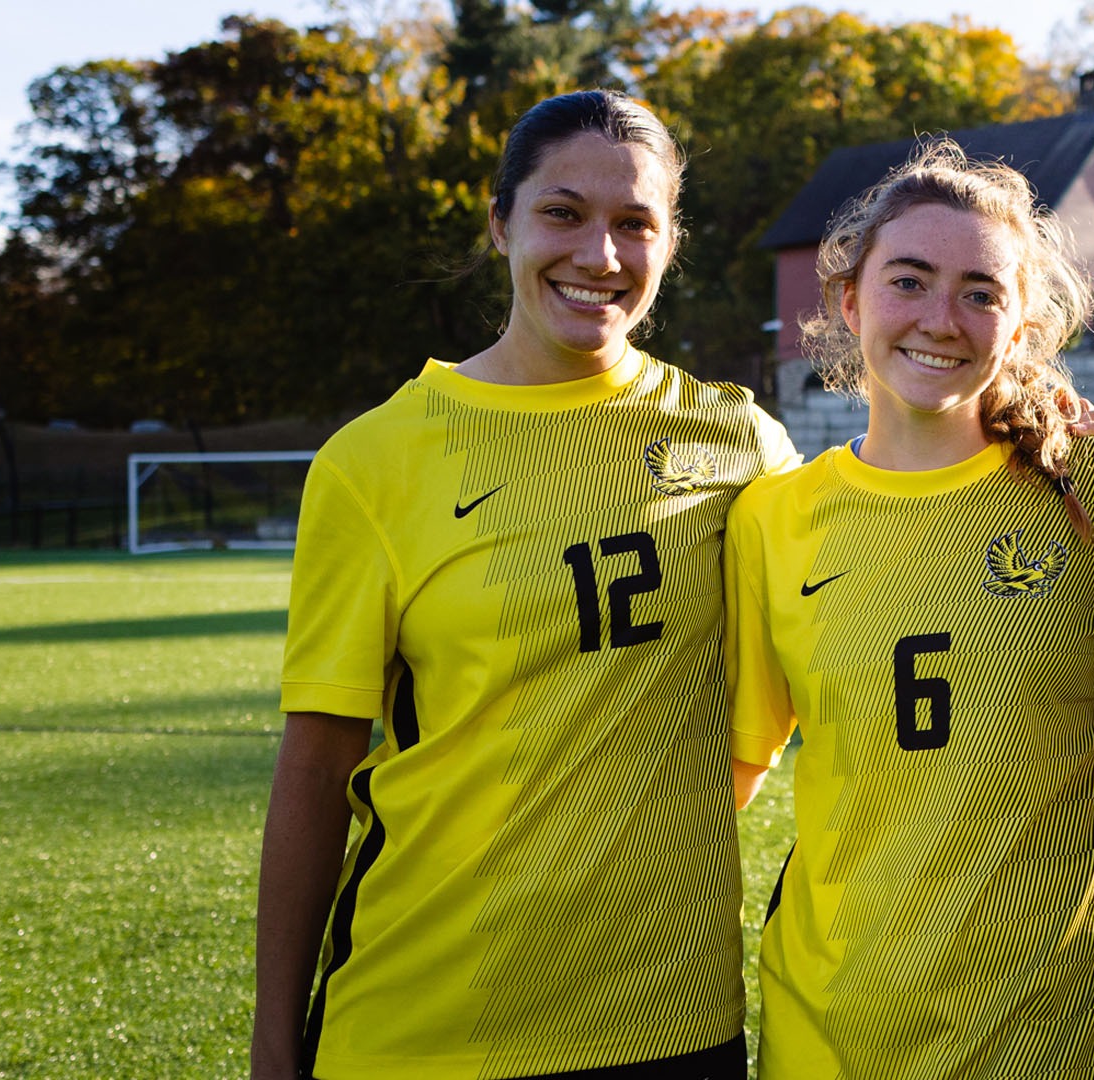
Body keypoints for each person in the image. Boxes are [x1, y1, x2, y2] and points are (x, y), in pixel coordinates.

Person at [251, 90, 797, 1080]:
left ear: (670, 242)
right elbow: (316, 768)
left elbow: (882, 548)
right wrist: (271, 1044)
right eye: (563, 212)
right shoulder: (373, 462)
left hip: (669, 1023)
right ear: (500, 219)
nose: (600, 256)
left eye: (636, 223)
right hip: (425, 1022)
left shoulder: (741, 443)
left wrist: (1029, 422)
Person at [724, 142, 1094, 1079]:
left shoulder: (1093, 492)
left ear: (1022, 321)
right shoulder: (773, 518)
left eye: (982, 292)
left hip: (1047, 1036)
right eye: (909, 280)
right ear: (848, 300)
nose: (942, 319)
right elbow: (733, 778)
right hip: (825, 1028)